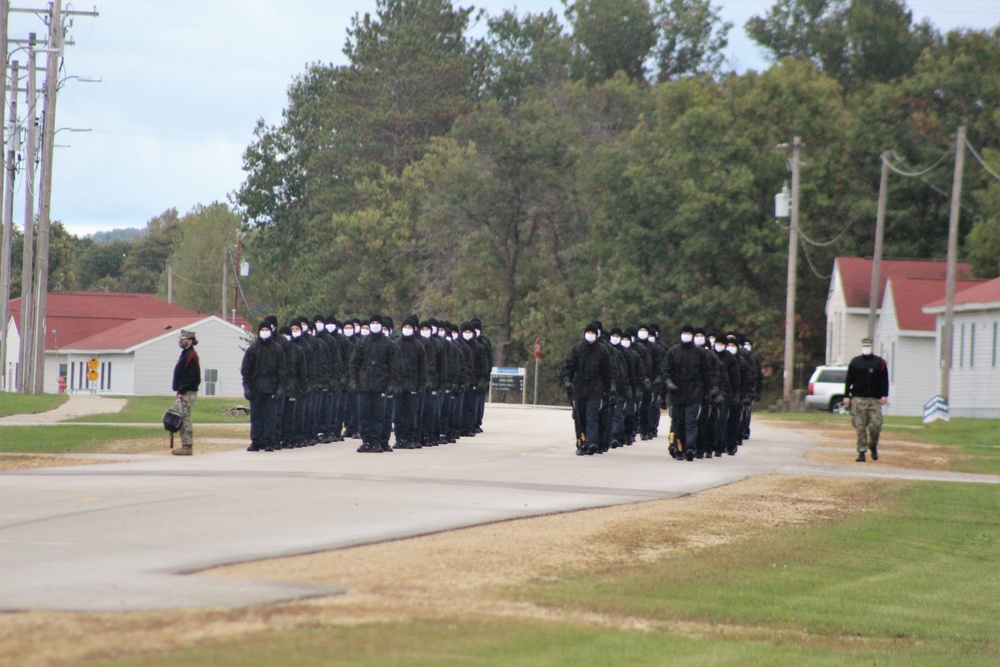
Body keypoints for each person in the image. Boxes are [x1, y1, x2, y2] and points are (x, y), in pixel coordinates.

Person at [561, 322, 613, 455]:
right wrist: (567, 381)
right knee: (580, 417)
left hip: (595, 390)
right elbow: (568, 367)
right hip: (578, 389)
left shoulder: (602, 351)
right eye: (588, 333)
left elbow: (607, 372)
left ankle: (591, 443)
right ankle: (581, 443)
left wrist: (608, 391)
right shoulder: (577, 349)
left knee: (592, 417)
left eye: (593, 333)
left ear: (597, 335)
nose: (590, 335)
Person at [661, 324, 711, 461]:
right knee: (678, 422)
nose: (686, 335)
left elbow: (707, 374)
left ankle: (690, 447)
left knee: (691, 421)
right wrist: (669, 384)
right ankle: (678, 447)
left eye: (689, 333)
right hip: (677, 393)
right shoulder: (673, 352)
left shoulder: (700, 353)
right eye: (684, 333)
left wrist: (707, 393)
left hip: (694, 393)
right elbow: (665, 371)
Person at [242, 321, 287, 452]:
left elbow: (282, 371)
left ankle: (269, 441)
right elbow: (246, 371)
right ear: (258, 331)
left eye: (267, 329)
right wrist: (247, 387)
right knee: (256, 416)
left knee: (270, 417)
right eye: (263, 329)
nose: (265, 331)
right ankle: (256, 441)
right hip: (256, 388)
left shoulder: (277, 349)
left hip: (271, 388)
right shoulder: (253, 349)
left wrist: (280, 389)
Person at [844, 337, 890, 462]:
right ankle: (861, 451)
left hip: (874, 399)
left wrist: (885, 395)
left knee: (875, 425)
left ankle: (873, 445)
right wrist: (846, 396)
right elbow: (849, 380)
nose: (866, 348)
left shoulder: (880, 362)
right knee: (860, 426)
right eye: (865, 346)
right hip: (858, 399)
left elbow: (884, 380)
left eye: (868, 346)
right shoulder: (855, 362)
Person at [171, 329, 201, 456]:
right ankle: (184, 444)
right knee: (182, 417)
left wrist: (182, 390)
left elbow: (190, 376)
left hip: (188, 391)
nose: (181, 342)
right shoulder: (185, 354)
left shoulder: (191, 355)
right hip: (183, 390)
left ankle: (187, 446)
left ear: (190, 341)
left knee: (185, 418)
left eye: (184, 339)